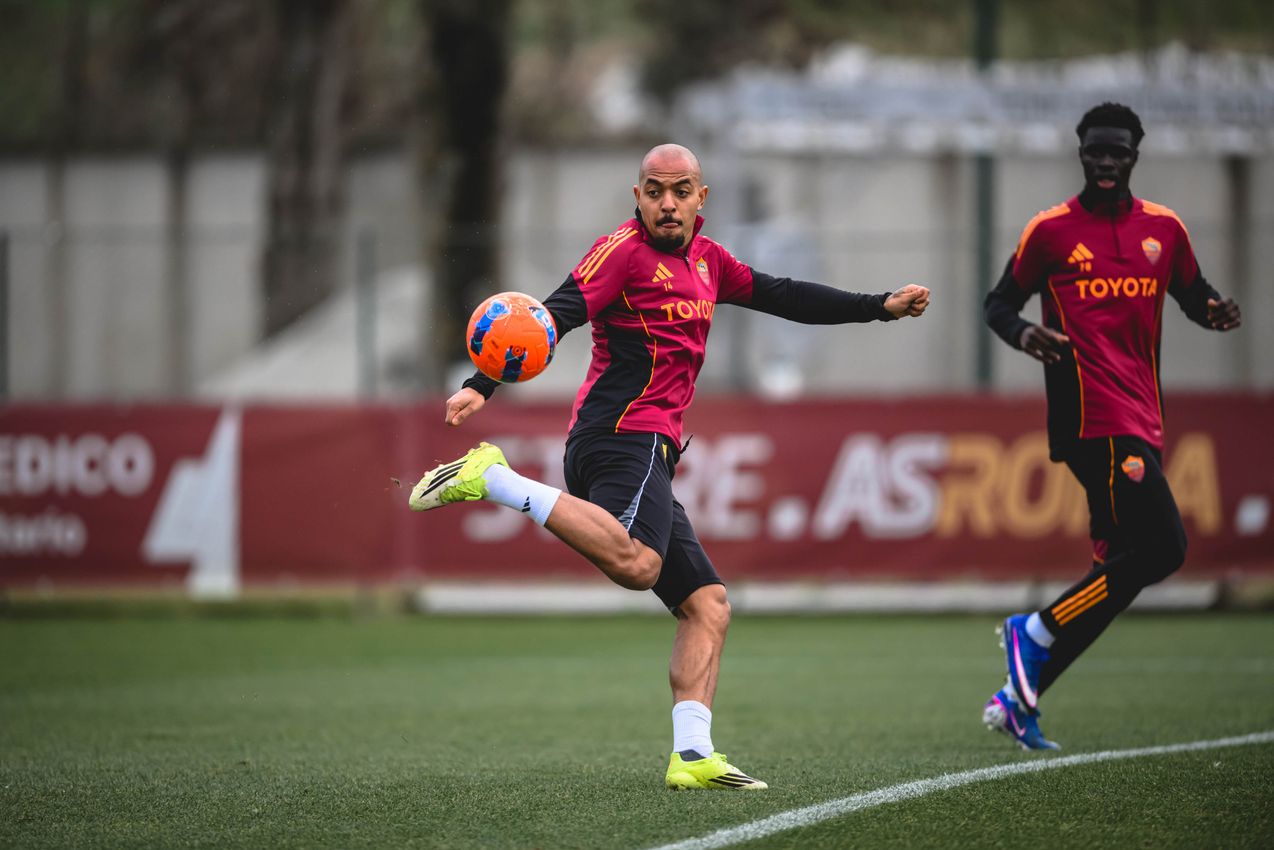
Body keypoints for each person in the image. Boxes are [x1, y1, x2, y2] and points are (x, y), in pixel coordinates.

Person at [410, 143, 931, 788]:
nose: (667, 202)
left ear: (700, 200)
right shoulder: (621, 251)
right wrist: (481, 384)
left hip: (653, 446)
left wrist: (877, 305)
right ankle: (495, 478)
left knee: (708, 605)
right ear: (638, 196)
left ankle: (692, 756)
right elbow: (556, 313)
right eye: (655, 190)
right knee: (639, 563)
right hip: (616, 435)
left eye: (680, 190)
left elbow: (784, 294)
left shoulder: (711, 263)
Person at [982, 103, 1242, 750]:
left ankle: (1019, 697)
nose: (1105, 163)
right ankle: (1033, 630)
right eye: (1095, 152)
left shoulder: (1165, 230)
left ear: (1133, 156)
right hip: (1089, 416)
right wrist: (1022, 333)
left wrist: (1214, 313)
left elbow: (1192, 293)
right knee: (1167, 550)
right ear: (1081, 153)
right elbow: (997, 303)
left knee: (1118, 572)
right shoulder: (1050, 231)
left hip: (1141, 415)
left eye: (1117, 154)